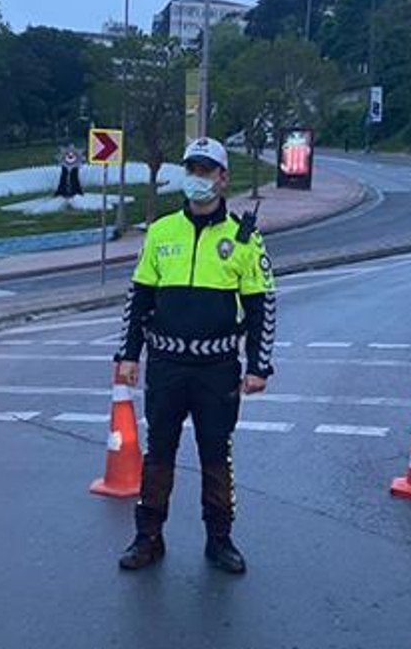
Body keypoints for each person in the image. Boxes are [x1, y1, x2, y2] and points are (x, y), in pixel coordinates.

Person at [113, 137, 277, 574]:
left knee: (215, 455)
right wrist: (127, 355)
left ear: (223, 178)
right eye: (192, 170)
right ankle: (148, 538)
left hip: (217, 370)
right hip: (166, 367)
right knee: (158, 453)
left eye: (206, 171)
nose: (197, 179)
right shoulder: (162, 231)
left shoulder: (244, 237)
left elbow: (263, 303)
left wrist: (260, 366)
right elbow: (139, 298)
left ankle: (219, 540)